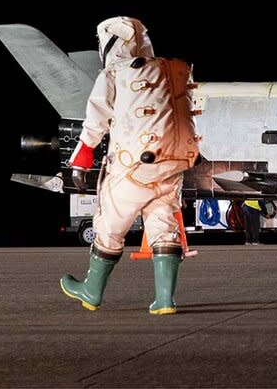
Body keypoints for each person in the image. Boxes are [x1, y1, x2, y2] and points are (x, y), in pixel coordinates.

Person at [60, 17, 199, 315]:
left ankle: (91, 291)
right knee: (163, 225)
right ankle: (164, 301)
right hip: (171, 163)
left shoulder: (115, 72)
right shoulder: (171, 70)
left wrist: (81, 158)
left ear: (110, 43)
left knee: (110, 225)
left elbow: (97, 119)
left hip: (132, 165)